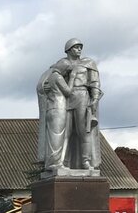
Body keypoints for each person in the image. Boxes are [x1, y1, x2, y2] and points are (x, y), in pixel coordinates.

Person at [37, 38, 102, 174]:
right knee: (65, 132)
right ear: (68, 50)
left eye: (80, 47)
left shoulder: (88, 63)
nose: (79, 50)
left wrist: (95, 99)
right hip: (65, 99)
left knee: (84, 131)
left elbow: (95, 83)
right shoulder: (62, 64)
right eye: (76, 47)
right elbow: (45, 80)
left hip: (82, 96)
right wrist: (45, 86)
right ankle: (62, 161)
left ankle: (85, 161)